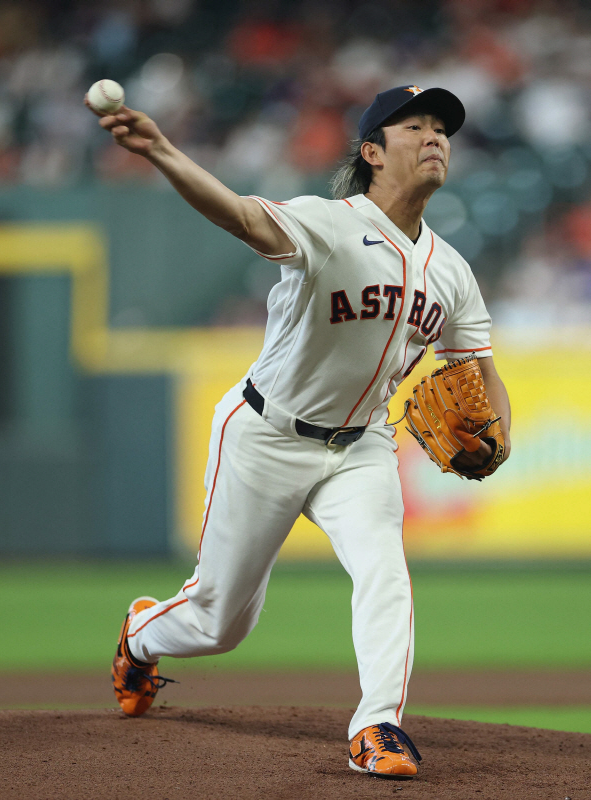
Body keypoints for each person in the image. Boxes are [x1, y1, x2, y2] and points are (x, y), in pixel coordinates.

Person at [90, 84, 512, 779]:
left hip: (361, 447)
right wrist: (162, 151)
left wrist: (503, 440)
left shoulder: (453, 272)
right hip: (266, 434)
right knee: (220, 623)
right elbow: (240, 216)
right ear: (372, 152)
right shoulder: (328, 224)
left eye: (443, 128)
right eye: (415, 126)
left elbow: (479, 367)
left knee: (385, 573)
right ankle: (141, 635)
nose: (436, 136)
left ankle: (377, 727)